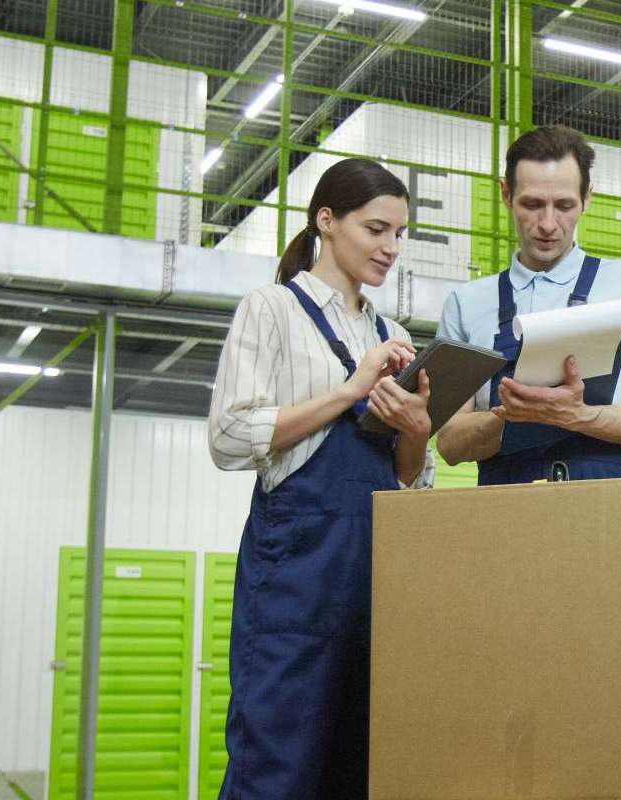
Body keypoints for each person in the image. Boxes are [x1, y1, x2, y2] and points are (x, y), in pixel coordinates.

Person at [205, 157, 432, 799]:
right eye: (376, 229)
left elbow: (413, 484)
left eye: (399, 234)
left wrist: (416, 428)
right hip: (294, 582)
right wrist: (351, 390)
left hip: (376, 577)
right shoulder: (272, 309)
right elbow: (228, 437)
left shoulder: (393, 334)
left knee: (361, 765)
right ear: (325, 222)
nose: (391, 248)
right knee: (276, 763)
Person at [434, 124, 621, 483]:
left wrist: (575, 415)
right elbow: (451, 442)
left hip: (606, 510)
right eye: (532, 204)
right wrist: (513, 416)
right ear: (506, 194)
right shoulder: (466, 304)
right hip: (507, 514)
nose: (548, 224)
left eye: (564, 206)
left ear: (587, 198)